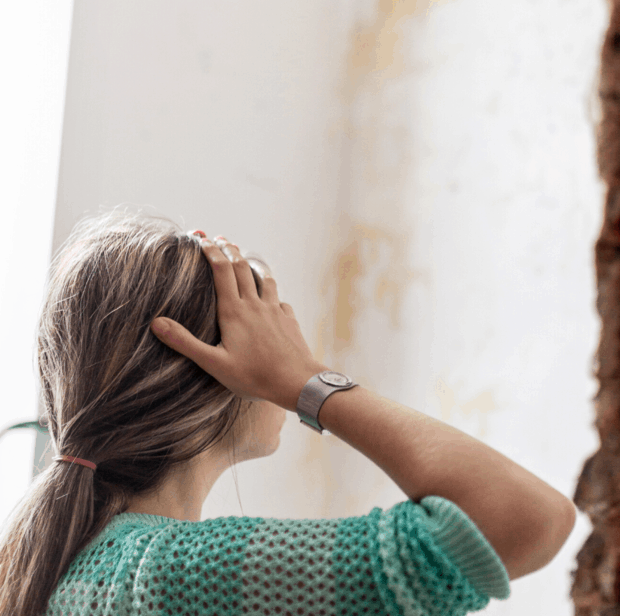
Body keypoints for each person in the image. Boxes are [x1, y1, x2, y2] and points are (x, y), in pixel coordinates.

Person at [0, 210, 577, 616]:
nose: (292, 343)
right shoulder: (174, 574)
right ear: (222, 373)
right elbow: (526, 519)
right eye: (269, 333)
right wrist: (303, 381)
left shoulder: (49, 565)